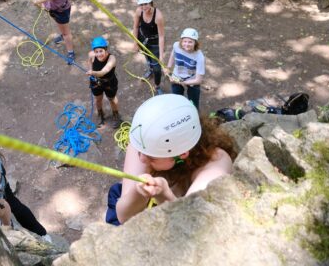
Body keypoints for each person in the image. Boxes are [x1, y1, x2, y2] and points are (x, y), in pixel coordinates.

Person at [105, 94, 236, 225]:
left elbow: (189, 224)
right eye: (140, 151)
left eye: (151, 157)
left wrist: (164, 195)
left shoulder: (216, 164)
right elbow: (123, 217)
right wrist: (138, 193)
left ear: (182, 154)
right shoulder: (143, 141)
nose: (142, 159)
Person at [32, 0, 75, 65]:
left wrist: (37, 2)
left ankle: (71, 53)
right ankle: (62, 34)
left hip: (62, 11)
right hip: (52, 9)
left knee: (66, 33)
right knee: (60, 25)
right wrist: (43, 4)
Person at [132, 0, 165, 94]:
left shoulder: (158, 16)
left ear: (151, 2)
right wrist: (135, 42)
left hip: (155, 43)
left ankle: (157, 85)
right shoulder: (139, 11)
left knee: (157, 68)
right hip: (143, 39)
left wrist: (162, 55)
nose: (143, 7)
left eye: (145, 4)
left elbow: (161, 36)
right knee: (148, 58)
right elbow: (136, 26)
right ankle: (150, 70)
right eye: (141, 4)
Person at [86, 36, 122, 128]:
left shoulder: (112, 58)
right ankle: (100, 114)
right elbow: (89, 61)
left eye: (101, 51)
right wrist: (90, 69)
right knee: (98, 99)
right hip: (95, 82)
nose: (98, 54)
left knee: (112, 99)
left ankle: (116, 114)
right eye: (96, 51)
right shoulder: (91, 54)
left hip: (109, 82)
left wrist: (93, 72)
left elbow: (104, 71)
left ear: (105, 49)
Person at [167, 28, 206, 110]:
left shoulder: (199, 57)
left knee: (193, 104)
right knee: (177, 101)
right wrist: (168, 68)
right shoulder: (176, 46)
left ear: (195, 43)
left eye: (190, 42)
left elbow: (198, 80)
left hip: (192, 79)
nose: (187, 44)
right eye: (185, 41)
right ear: (181, 41)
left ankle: (194, 116)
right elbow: (172, 55)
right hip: (176, 76)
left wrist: (183, 82)